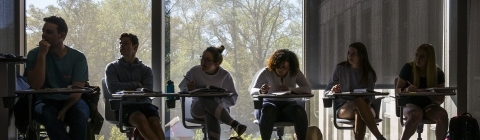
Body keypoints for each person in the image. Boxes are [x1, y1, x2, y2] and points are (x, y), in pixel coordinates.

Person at [25, 16, 90, 140]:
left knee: (80, 117)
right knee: (50, 118)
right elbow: (36, 85)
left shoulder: (78, 57)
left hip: (71, 99)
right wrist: (42, 54)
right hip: (45, 100)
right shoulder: (34, 54)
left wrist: (65, 108)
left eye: (49, 32)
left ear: (62, 36)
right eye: (43, 31)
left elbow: (77, 91)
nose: (44, 35)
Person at [179, 45, 246, 140]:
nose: (203, 62)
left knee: (211, 113)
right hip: (198, 110)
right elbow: (181, 88)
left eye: (207, 59)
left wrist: (215, 104)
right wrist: (188, 88)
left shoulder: (225, 76)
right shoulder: (194, 71)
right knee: (205, 99)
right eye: (202, 58)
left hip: (220, 110)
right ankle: (233, 124)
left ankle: (233, 124)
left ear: (216, 64)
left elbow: (233, 98)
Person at [105, 33, 165, 140]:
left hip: (145, 104)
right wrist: (136, 84)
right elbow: (113, 88)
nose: (121, 46)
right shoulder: (112, 68)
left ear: (135, 47)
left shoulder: (146, 70)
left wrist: (126, 88)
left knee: (155, 124)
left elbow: (147, 90)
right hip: (124, 106)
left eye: (126, 43)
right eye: (121, 43)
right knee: (140, 118)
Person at [324, 42, 386, 140]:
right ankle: (379, 137)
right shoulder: (340, 69)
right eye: (349, 53)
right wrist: (332, 91)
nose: (350, 56)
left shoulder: (369, 74)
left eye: (353, 53)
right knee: (358, 101)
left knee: (359, 109)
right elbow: (326, 92)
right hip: (343, 108)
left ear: (362, 56)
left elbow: (369, 97)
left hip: (366, 107)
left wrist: (365, 101)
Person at [249, 49, 311, 140]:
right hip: (270, 104)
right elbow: (253, 90)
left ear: (290, 67)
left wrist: (290, 89)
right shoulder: (267, 71)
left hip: (289, 106)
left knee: (299, 111)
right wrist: (261, 91)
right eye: (278, 66)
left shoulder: (295, 72)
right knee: (268, 110)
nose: (280, 69)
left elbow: (307, 88)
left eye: (284, 68)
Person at [396, 44, 448, 140]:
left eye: (422, 56)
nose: (417, 58)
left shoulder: (438, 73)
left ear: (429, 59)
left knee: (443, 115)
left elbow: (440, 100)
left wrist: (427, 92)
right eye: (416, 55)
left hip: (429, 106)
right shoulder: (408, 68)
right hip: (410, 104)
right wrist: (406, 90)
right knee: (416, 114)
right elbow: (397, 90)